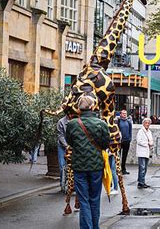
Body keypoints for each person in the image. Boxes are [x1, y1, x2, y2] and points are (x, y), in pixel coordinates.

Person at [66, 95, 110, 229]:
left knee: (83, 200)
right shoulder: (101, 123)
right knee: (94, 200)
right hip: (96, 167)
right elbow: (105, 144)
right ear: (92, 107)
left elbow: (69, 142)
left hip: (79, 167)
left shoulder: (72, 124)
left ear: (79, 108)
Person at [136, 118, 153, 189]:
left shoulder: (149, 131)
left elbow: (151, 140)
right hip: (141, 151)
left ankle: (141, 181)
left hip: (147, 151)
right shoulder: (140, 131)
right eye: (146, 123)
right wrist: (147, 143)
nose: (147, 124)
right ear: (143, 123)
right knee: (142, 167)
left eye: (148, 123)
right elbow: (138, 141)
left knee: (145, 168)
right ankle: (141, 182)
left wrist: (151, 143)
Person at [114, 110, 133, 175]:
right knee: (118, 155)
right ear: (121, 114)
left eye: (125, 113)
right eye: (123, 113)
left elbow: (130, 131)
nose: (125, 114)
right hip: (119, 142)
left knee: (124, 156)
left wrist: (130, 138)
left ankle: (123, 169)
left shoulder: (128, 121)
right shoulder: (118, 121)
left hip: (127, 141)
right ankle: (117, 169)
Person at [57, 115, 69, 192]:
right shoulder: (61, 122)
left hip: (72, 146)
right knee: (62, 165)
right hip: (62, 146)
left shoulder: (76, 120)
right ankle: (62, 183)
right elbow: (60, 136)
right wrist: (66, 145)